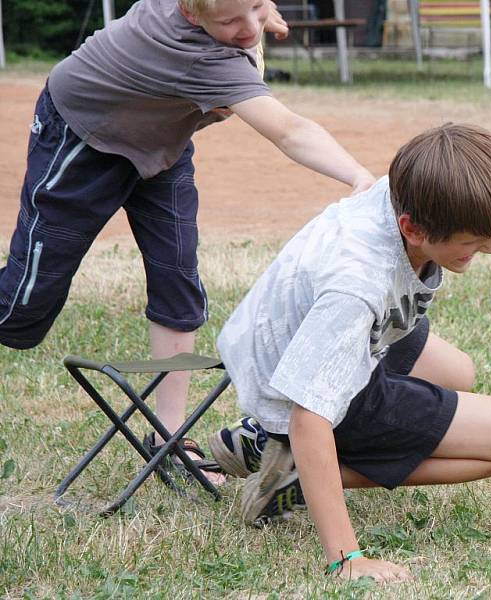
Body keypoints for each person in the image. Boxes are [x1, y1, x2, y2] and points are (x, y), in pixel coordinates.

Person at [211, 123, 491, 582]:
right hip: (293, 384)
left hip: (287, 343)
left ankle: (263, 442)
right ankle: (289, 473)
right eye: (475, 240)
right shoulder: (357, 285)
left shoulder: (407, 188)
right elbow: (309, 415)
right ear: (412, 229)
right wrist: (347, 558)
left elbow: (459, 211)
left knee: (457, 371)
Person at [0, 0, 375, 481]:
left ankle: (168, 434)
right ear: (192, 16)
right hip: (85, 136)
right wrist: (359, 176)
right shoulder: (201, 56)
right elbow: (289, 131)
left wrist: (261, 14)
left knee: (178, 279)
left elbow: (243, 11)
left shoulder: (221, 13)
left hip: (160, 143)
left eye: (256, 8)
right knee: (21, 310)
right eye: (231, 22)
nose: (247, 30)